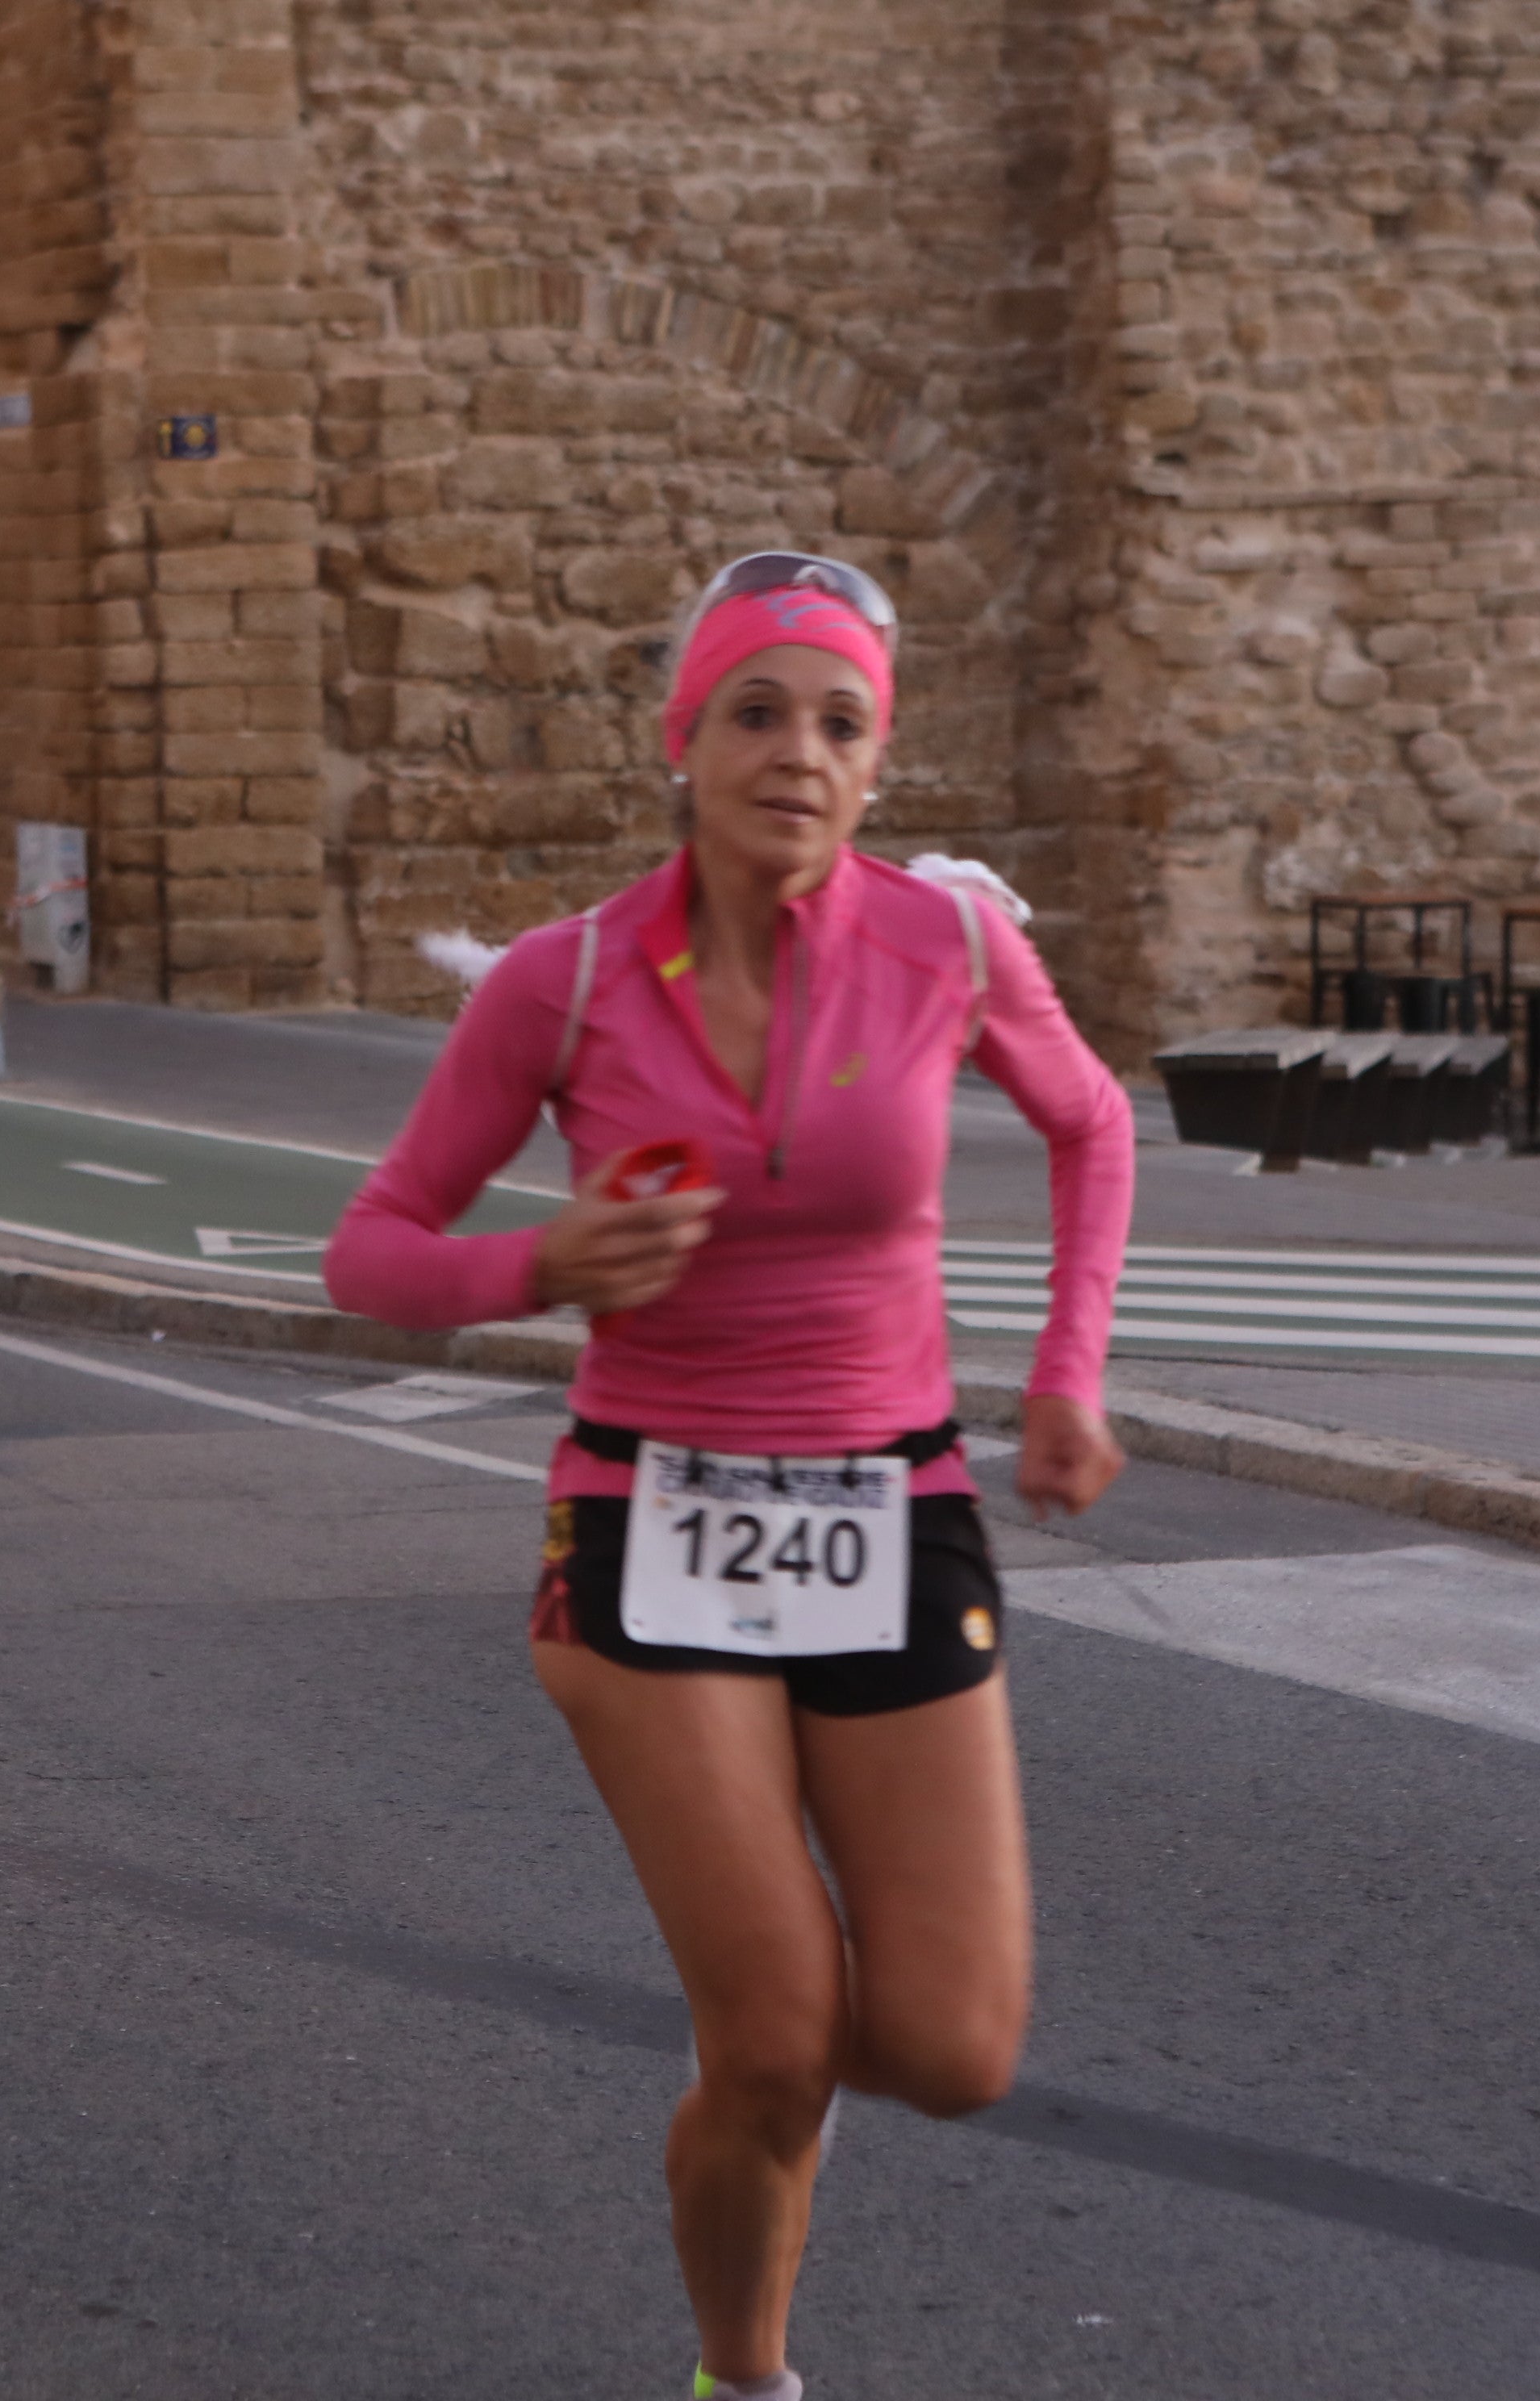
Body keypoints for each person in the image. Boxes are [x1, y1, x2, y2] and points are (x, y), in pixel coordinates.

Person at [325, 554, 1134, 2401]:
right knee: (773, 2041)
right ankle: (740, 2376)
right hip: (644, 1522)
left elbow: (1091, 1127)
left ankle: (776, 2125)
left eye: (837, 723)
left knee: (943, 2050)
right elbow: (369, 1248)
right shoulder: (573, 979)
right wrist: (536, 1266)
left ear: (874, 768)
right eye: (755, 712)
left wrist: (1064, 1381)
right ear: (681, 739)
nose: (795, 751)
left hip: (895, 1507)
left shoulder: (949, 946)